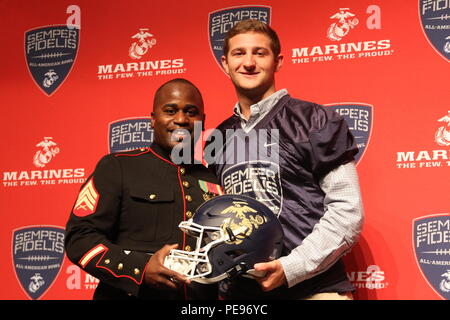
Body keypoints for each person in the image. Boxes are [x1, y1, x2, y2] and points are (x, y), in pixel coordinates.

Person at [207, 19, 364, 300]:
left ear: (278, 61)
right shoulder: (218, 137)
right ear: (224, 63)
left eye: (260, 53)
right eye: (239, 53)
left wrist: (291, 268)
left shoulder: (315, 120)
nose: (249, 62)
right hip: (245, 293)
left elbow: (347, 210)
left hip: (316, 287)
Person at [65, 78, 222, 300]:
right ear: (153, 119)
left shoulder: (214, 180)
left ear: (202, 122)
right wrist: (141, 269)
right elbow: (79, 238)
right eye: (170, 110)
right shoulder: (118, 166)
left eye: (191, 112)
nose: (181, 119)